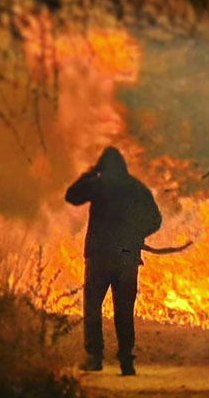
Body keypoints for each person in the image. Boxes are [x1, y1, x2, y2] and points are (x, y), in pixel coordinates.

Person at [65, 146, 161, 376]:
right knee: (124, 312)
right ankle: (127, 362)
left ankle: (95, 357)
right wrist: (137, 233)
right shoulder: (137, 188)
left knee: (93, 307)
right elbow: (155, 220)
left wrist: (90, 173)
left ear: (103, 166)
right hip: (127, 257)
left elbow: (72, 196)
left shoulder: (100, 184)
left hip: (100, 257)